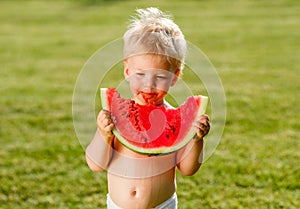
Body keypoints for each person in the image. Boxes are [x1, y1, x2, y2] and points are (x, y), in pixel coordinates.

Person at [86, 7, 210, 209]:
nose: (148, 85)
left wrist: (197, 139)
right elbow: (95, 164)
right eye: (140, 75)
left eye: (160, 77)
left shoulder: (177, 122)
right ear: (127, 71)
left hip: (162, 205)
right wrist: (103, 134)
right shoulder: (115, 118)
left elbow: (188, 169)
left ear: (174, 77)